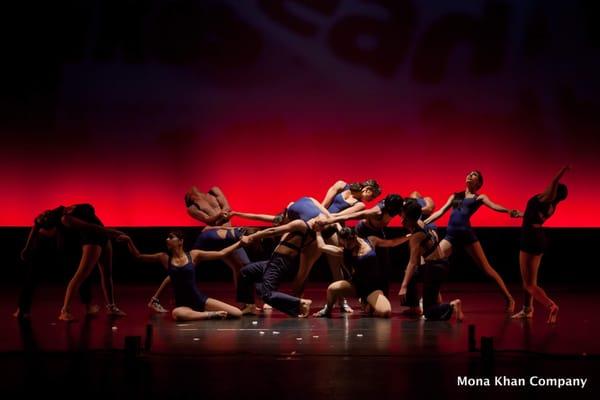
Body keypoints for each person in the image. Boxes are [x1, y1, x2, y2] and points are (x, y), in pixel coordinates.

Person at [424, 171, 522, 312]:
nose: (470, 175)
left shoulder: (479, 198)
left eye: (474, 174)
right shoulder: (456, 196)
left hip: (467, 236)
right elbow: (440, 211)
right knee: (432, 260)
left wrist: (508, 211)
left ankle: (509, 298)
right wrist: (424, 222)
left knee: (487, 269)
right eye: (469, 174)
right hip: (450, 236)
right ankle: (434, 297)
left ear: (479, 183)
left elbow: (494, 206)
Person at [15, 204, 126, 321]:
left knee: (97, 275)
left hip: (90, 241)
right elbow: (90, 227)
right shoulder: (60, 219)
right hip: (82, 243)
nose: (44, 214)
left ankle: (101, 306)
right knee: (76, 276)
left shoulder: (67, 212)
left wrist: (28, 247)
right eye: (44, 216)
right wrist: (113, 232)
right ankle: (59, 311)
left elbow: (38, 227)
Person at [148, 186, 248, 313]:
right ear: (189, 199)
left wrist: (219, 220)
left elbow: (227, 209)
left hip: (224, 236)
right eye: (188, 193)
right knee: (184, 267)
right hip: (211, 238)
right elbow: (209, 220)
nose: (191, 188)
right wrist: (217, 218)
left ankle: (245, 303)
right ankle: (158, 298)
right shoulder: (192, 209)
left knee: (240, 265)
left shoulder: (214, 191)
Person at [118, 231, 243, 321]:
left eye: (171, 237)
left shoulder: (194, 255)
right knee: (176, 314)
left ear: (180, 241)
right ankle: (210, 315)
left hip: (200, 300)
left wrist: (240, 243)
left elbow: (221, 253)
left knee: (237, 313)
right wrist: (129, 240)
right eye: (167, 238)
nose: (167, 239)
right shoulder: (164, 258)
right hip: (183, 305)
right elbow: (138, 256)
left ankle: (202, 313)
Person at [512, 166, 570, 323]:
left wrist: (564, 168)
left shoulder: (547, 198)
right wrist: (521, 214)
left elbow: (554, 180)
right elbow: (534, 216)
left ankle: (551, 306)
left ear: (554, 191)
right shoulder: (551, 206)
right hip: (538, 238)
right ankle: (527, 309)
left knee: (529, 284)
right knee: (531, 282)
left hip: (530, 238)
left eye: (553, 188)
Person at [312, 227, 410, 318]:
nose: (346, 246)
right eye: (344, 243)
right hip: (356, 285)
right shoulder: (343, 251)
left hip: (372, 288)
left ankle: (366, 302)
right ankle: (327, 310)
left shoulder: (371, 241)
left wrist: (410, 236)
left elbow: (392, 243)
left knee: (385, 312)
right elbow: (322, 246)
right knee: (332, 288)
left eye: (349, 243)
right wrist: (318, 231)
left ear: (354, 237)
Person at [398, 200, 463, 322]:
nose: (401, 221)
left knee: (428, 312)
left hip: (435, 268)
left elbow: (412, 262)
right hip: (440, 264)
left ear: (410, 219)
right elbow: (417, 261)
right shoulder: (422, 224)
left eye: (404, 218)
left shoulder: (416, 236)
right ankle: (416, 306)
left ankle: (452, 305)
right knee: (410, 273)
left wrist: (403, 286)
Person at [236, 219, 315, 317]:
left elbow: (272, 231)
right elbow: (263, 217)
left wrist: (251, 237)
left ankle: (300, 303)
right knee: (246, 272)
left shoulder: (302, 225)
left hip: (281, 262)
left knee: (267, 294)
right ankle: (249, 306)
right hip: (273, 260)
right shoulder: (295, 225)